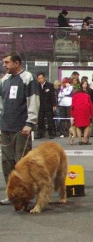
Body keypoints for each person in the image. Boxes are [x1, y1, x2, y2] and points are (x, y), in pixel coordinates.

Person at [0, 52, 39, 205]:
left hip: (22, 128)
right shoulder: (5, 80)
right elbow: (1, 103)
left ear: (16, 63)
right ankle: (12, 194)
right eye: (3, 62)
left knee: (22, 162)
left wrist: (30, 123)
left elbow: (33, 101)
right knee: (7, 162)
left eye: (7, 62)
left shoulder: (28, 78)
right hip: (5, 128)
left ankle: (26, 194)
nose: (4, 65)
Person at [36, 72, 56, 139]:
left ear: (44, 78)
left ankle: (51, 133)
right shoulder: (36, 86)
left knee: (50, 120)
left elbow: (53, 95)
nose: (40, 80)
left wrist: (54, 104)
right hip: (40, 106)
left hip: (48, 105)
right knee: (40, 120)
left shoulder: (50, 85)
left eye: (41, 78)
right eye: (39, 78)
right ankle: (40, 133)